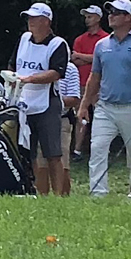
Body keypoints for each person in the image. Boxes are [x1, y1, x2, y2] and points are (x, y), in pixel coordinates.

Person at [78, 0, 131, 197]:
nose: (111, 16)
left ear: (128, 17)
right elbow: (94, 77)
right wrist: (84, 105)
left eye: (116, 12)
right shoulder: (101, 45)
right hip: (105, 107)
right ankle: (98, 194)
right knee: (97, 149)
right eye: (110, 12)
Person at [10, 2, 69, 196]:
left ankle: (59, 195)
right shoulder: (24, 39)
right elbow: (13, 64)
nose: (30, 22)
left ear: (46, 21)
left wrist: (29, 79)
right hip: (23, 103)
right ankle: (37, 192)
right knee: (28, 152)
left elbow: (56, 73)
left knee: (53, 153)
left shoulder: (58, 44)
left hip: (47, 104)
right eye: (29, 18)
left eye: (34, 18)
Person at [70, 5, 109, 162]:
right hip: (81, 82)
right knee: (81, 116)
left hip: (101, 83)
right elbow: (74, 60)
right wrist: (91, 58)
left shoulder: (106, 38)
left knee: (102, 116)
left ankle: (101, 148)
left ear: (98, 18)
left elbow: (102, 59)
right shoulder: (80, 39)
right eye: (86, 17)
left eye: (90, 16)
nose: (87, 19)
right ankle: (77, 150)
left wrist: (82, 56)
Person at [36, 61, 80, 195]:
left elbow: (74, 98)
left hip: (62, 119)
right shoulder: (37, 66)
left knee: (62, 160)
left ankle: (62, 197)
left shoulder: (70, 69)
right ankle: (42, 197)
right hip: (38, 118)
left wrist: (52, 101)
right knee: (40, 161)